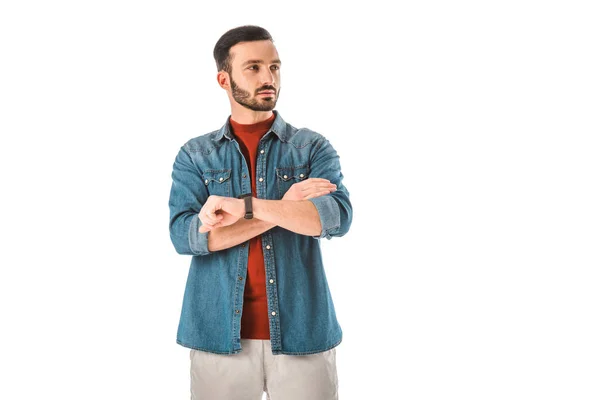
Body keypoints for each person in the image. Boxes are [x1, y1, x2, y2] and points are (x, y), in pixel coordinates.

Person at [168, 25, 352, 400]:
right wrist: (288, 205)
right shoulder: (196, 155)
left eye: (274, 67)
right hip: (218, 338)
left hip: (304, 336)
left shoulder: (311, 147)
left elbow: (334, 217)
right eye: (253, 67)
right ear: (224, 79)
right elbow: (185, 237)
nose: (268, 77)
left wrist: (245, 208)